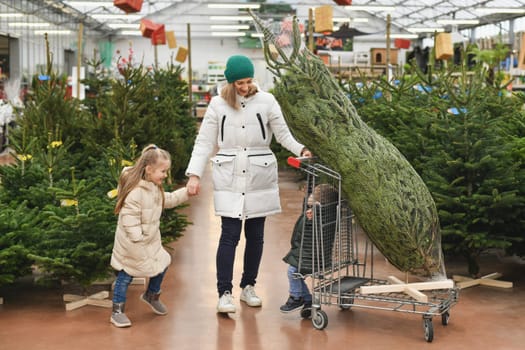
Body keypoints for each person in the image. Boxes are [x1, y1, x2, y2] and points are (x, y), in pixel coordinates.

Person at [185, 54, 312, 314]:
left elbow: (282, 133)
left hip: (259, 174)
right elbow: (204, 141)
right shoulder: (218, 104)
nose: (244, 87)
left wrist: (301, 148)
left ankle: (249, 286)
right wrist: (194, 174)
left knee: (256, 236)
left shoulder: (267, 101)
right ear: (230, 83)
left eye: (248, 81)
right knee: (229, 235)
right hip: (229, 175)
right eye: (239, 83)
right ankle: (224, 292)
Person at [110, 144, 190, 328]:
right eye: (163, 171)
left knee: (163, 262)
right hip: (133, 244)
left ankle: (151, 295)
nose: (165, 175)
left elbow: (167, 200)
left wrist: (186, 192)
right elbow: (129, 219)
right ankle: (117, 311)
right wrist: (138, 239)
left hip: (150, 241)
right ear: (148, 169)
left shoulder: (154, 187)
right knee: (126, 275)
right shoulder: (136, 191)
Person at [280, 183, 338, 315]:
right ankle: (307, 299)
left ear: (318, 205)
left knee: (293, 272)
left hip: (309, 258)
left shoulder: (314, 219)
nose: (308, 209)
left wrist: (312, 215)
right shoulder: (325, 216)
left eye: (312, 203)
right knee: (295, 273)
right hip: (316, 256)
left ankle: (296, 297)